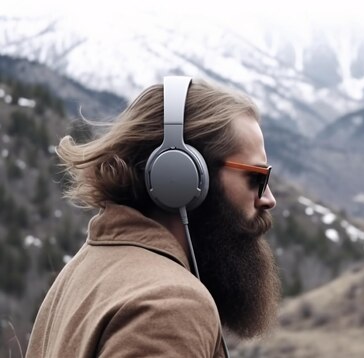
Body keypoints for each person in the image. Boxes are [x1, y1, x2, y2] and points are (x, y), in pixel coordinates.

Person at [26, 77, 281, 357]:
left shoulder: (80, 272)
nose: (268, 198)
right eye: (255, 177)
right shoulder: (171, 304)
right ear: (184, 175)